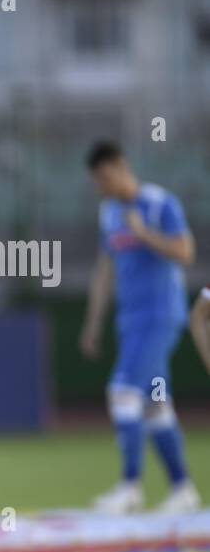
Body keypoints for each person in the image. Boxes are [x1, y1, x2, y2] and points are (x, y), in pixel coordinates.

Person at [80, 140, 198, 514]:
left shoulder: (160, 203)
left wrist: (145, 233)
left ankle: (130, 485)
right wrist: (93, 321)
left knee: (122, 391)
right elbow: (106, 268)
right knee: (155, 405)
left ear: (120, 166)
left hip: (160, 317)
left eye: (104, 177)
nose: (102, 186)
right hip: (130, 320)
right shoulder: (109, 213)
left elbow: (185, 252)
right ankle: (182, 488)